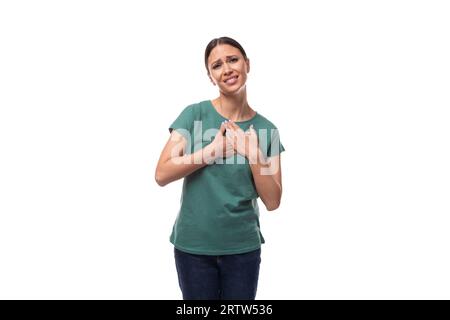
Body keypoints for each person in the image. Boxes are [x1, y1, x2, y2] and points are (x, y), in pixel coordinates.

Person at [155, 36, 285, 300]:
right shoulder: (194, 115)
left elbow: (272, 201)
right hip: (193, 248)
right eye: (216, 65)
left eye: (233, 60)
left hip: (242, 249)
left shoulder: (267, 130)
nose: (226, 69)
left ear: (247, 64)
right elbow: (162, 173)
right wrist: (210, 152)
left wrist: (253, 154)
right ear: (210, 76)